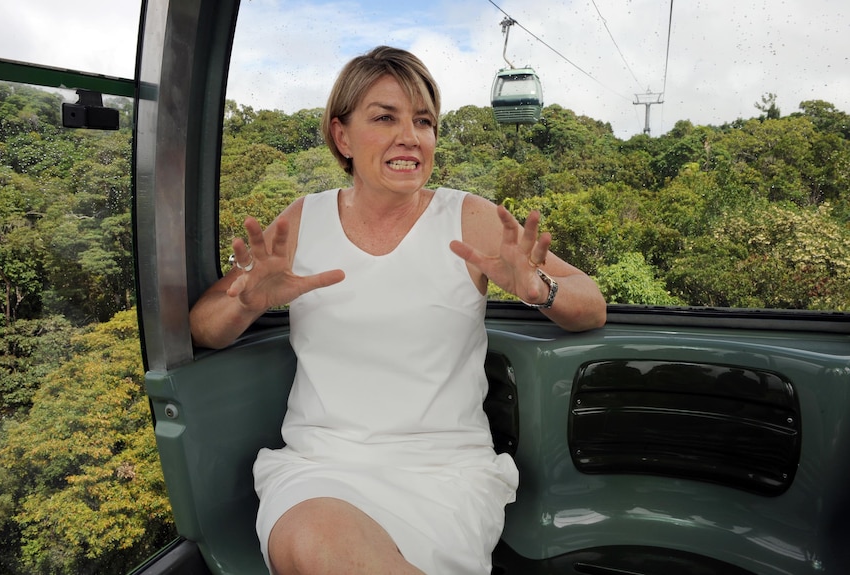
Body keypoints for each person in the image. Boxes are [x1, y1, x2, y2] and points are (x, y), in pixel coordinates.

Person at [189, 46, 606, 575]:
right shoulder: (302, 221)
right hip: (320, 468)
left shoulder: (469, 218)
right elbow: (204, 326)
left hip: (446, 474)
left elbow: (589, 306)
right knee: (316, 540)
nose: (410, 136)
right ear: (342, 136)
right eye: (385, 117)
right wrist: (246, 304)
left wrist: (537, 288)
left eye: (424, 121)